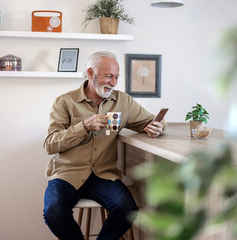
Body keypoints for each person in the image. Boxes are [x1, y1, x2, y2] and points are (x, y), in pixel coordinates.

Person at [43, 51, 165, 240]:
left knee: (127, 210)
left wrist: (157, 127)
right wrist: (83, 126)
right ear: (91, 73)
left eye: (116, 77)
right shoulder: (64, 102)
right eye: (109, 76)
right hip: (68, 174)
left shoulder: (123, 101)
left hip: (103, 174)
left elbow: (149, 121)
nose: (113, 82)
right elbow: (50, 144)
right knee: (54, 212)